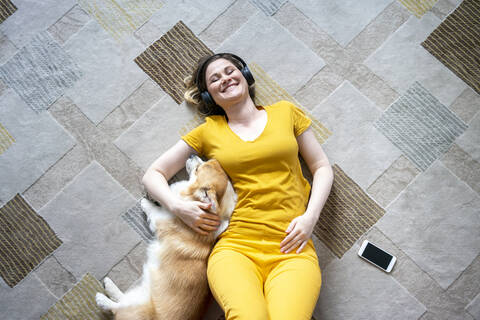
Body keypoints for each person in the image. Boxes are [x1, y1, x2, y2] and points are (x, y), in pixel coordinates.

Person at [142, 53, 334, 320]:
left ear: (244, 75)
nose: (225, 79)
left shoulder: (286, 112)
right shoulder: (208, 131)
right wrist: (178, 207)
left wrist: (310, 218)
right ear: (209, 95)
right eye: (215, 79)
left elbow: (322, 167)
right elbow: (153, 173)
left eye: (230, 71)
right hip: (236, 249)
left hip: (293, 248)